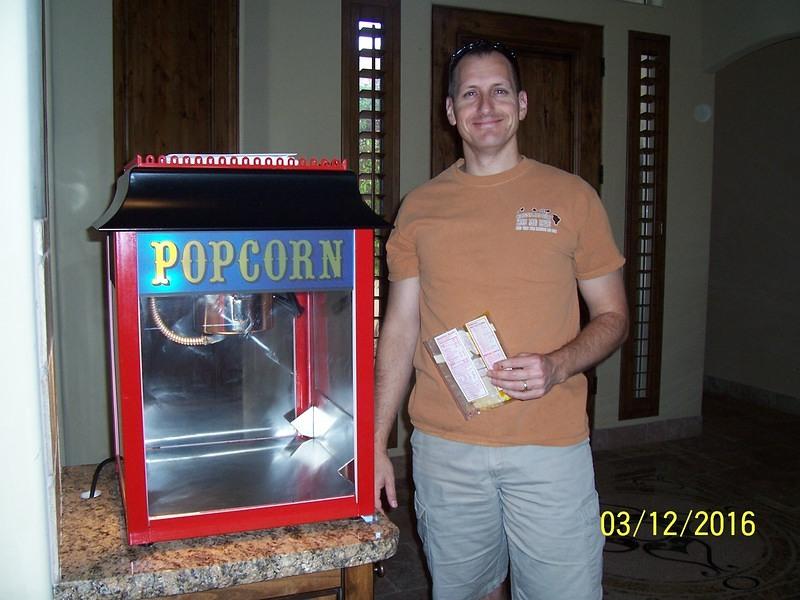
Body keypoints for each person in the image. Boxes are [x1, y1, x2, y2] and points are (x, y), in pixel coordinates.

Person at [373, 39, 629, 600]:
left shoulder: (573, 197)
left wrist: (559, 365)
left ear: (523, 103)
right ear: (450, 111)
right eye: (470, 93)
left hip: (550, 446)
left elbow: (613, 316)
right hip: (445, 450)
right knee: (467, 591)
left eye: (498, 91)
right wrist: (374, 441)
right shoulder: (419, 208)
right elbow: (399, 329)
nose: (485, 106)